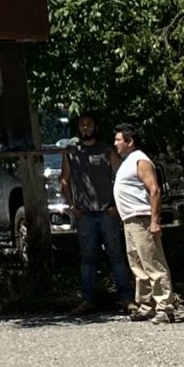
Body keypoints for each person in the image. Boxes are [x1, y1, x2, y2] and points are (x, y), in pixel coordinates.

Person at [62, 112, 132, 315]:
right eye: (82, 125)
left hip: (106, 212)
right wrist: (72, 206)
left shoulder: (106, 150)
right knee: (87, 259)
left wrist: (116, 206)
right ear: (78, 128)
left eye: (89, 124)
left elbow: (121, 178)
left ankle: (126, 298)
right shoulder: (71, 152)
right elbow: (64, 180)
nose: (86, 128)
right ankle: (87, 300)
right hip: (85, 214)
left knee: (116, 256)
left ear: (95, 127)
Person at [112, 123, 175, 323]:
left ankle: (165, 307)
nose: (115, 144)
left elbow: (154, 190)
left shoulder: (140, 160)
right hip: (130, 220)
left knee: (153, 263)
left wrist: (155, 221)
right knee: (137, 265)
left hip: (142, 219)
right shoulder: (127, 162)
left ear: (130, 142)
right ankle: (146, 305)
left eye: (118, 140)